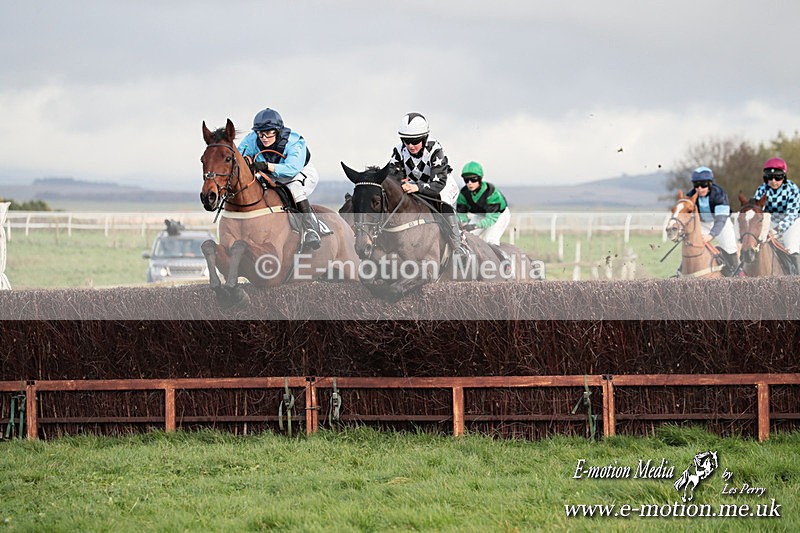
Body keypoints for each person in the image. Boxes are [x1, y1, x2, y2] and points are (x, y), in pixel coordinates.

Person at [237, 108, 321, 250]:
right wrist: (246, 160)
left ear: (278, 131)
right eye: (260, 133)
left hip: (299, 173)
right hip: (272, 175)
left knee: (294, 189)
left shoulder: (294, 142)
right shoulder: (251, 139)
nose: (264, 137)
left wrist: (266, 166)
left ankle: (310, 230)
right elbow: (239, 157)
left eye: (268, 132)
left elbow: (292, 169)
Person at [389, 112, 468, 257]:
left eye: (415, 141)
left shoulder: (435, 149)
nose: (410, 146)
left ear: (424, 138)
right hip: (415, 183)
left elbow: (438, 183)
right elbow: (392, 175)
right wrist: (400, 180)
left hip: (441, 184)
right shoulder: (399, 150)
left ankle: (457, 245)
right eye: (406, 141)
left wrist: (417, 187)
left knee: (444, 202)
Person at [684, 166, 739, 276]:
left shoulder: (719, 194)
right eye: (696, 185)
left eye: (703, 185)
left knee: (730, 247)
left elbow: (721, 220)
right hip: (702, 224)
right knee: (690, 244)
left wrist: (711, 235)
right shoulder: (690, 196)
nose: (699, 189)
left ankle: (735, 273)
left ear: (710, 184)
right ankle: (683, 270)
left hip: (721, 223)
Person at [752, 157, 800, 273]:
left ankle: (797, 278)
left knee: (791, 248)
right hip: (770, 221)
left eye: (777, 177)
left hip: (791, 223)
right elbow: (757, 212)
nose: (773, 181)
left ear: (784, 177)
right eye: (770, 177)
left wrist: (776, 230)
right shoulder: (761, 189)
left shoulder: (792, 189)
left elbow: (791, 215)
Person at [456, 161, 511, 246]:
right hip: (480, 215)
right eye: (466, 180)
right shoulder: (463, 193)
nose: (470, 183)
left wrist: (474, 226)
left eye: (473, 179)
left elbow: (491, 218)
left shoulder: (491, 192)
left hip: (499, 215)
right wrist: (464, 223)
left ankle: (501, 254)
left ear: (480, 179)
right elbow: (461, 214)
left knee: (489, 241)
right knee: (466, 238)